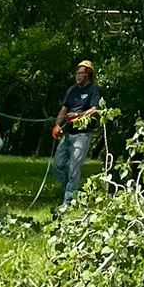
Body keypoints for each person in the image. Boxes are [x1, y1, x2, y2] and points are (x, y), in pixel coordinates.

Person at [50, 59, 104, 205]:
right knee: (58, 165)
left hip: (83, 134)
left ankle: (68, 201)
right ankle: (73, 191)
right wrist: (57, 125)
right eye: (77, 73)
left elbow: (95, 109)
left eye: (80, 73)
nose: (77, 76)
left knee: (74, 166)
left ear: (87, 74)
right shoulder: (72, 90)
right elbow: (64, 108)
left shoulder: (93, 90)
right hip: (68, 133)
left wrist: (79, 116)